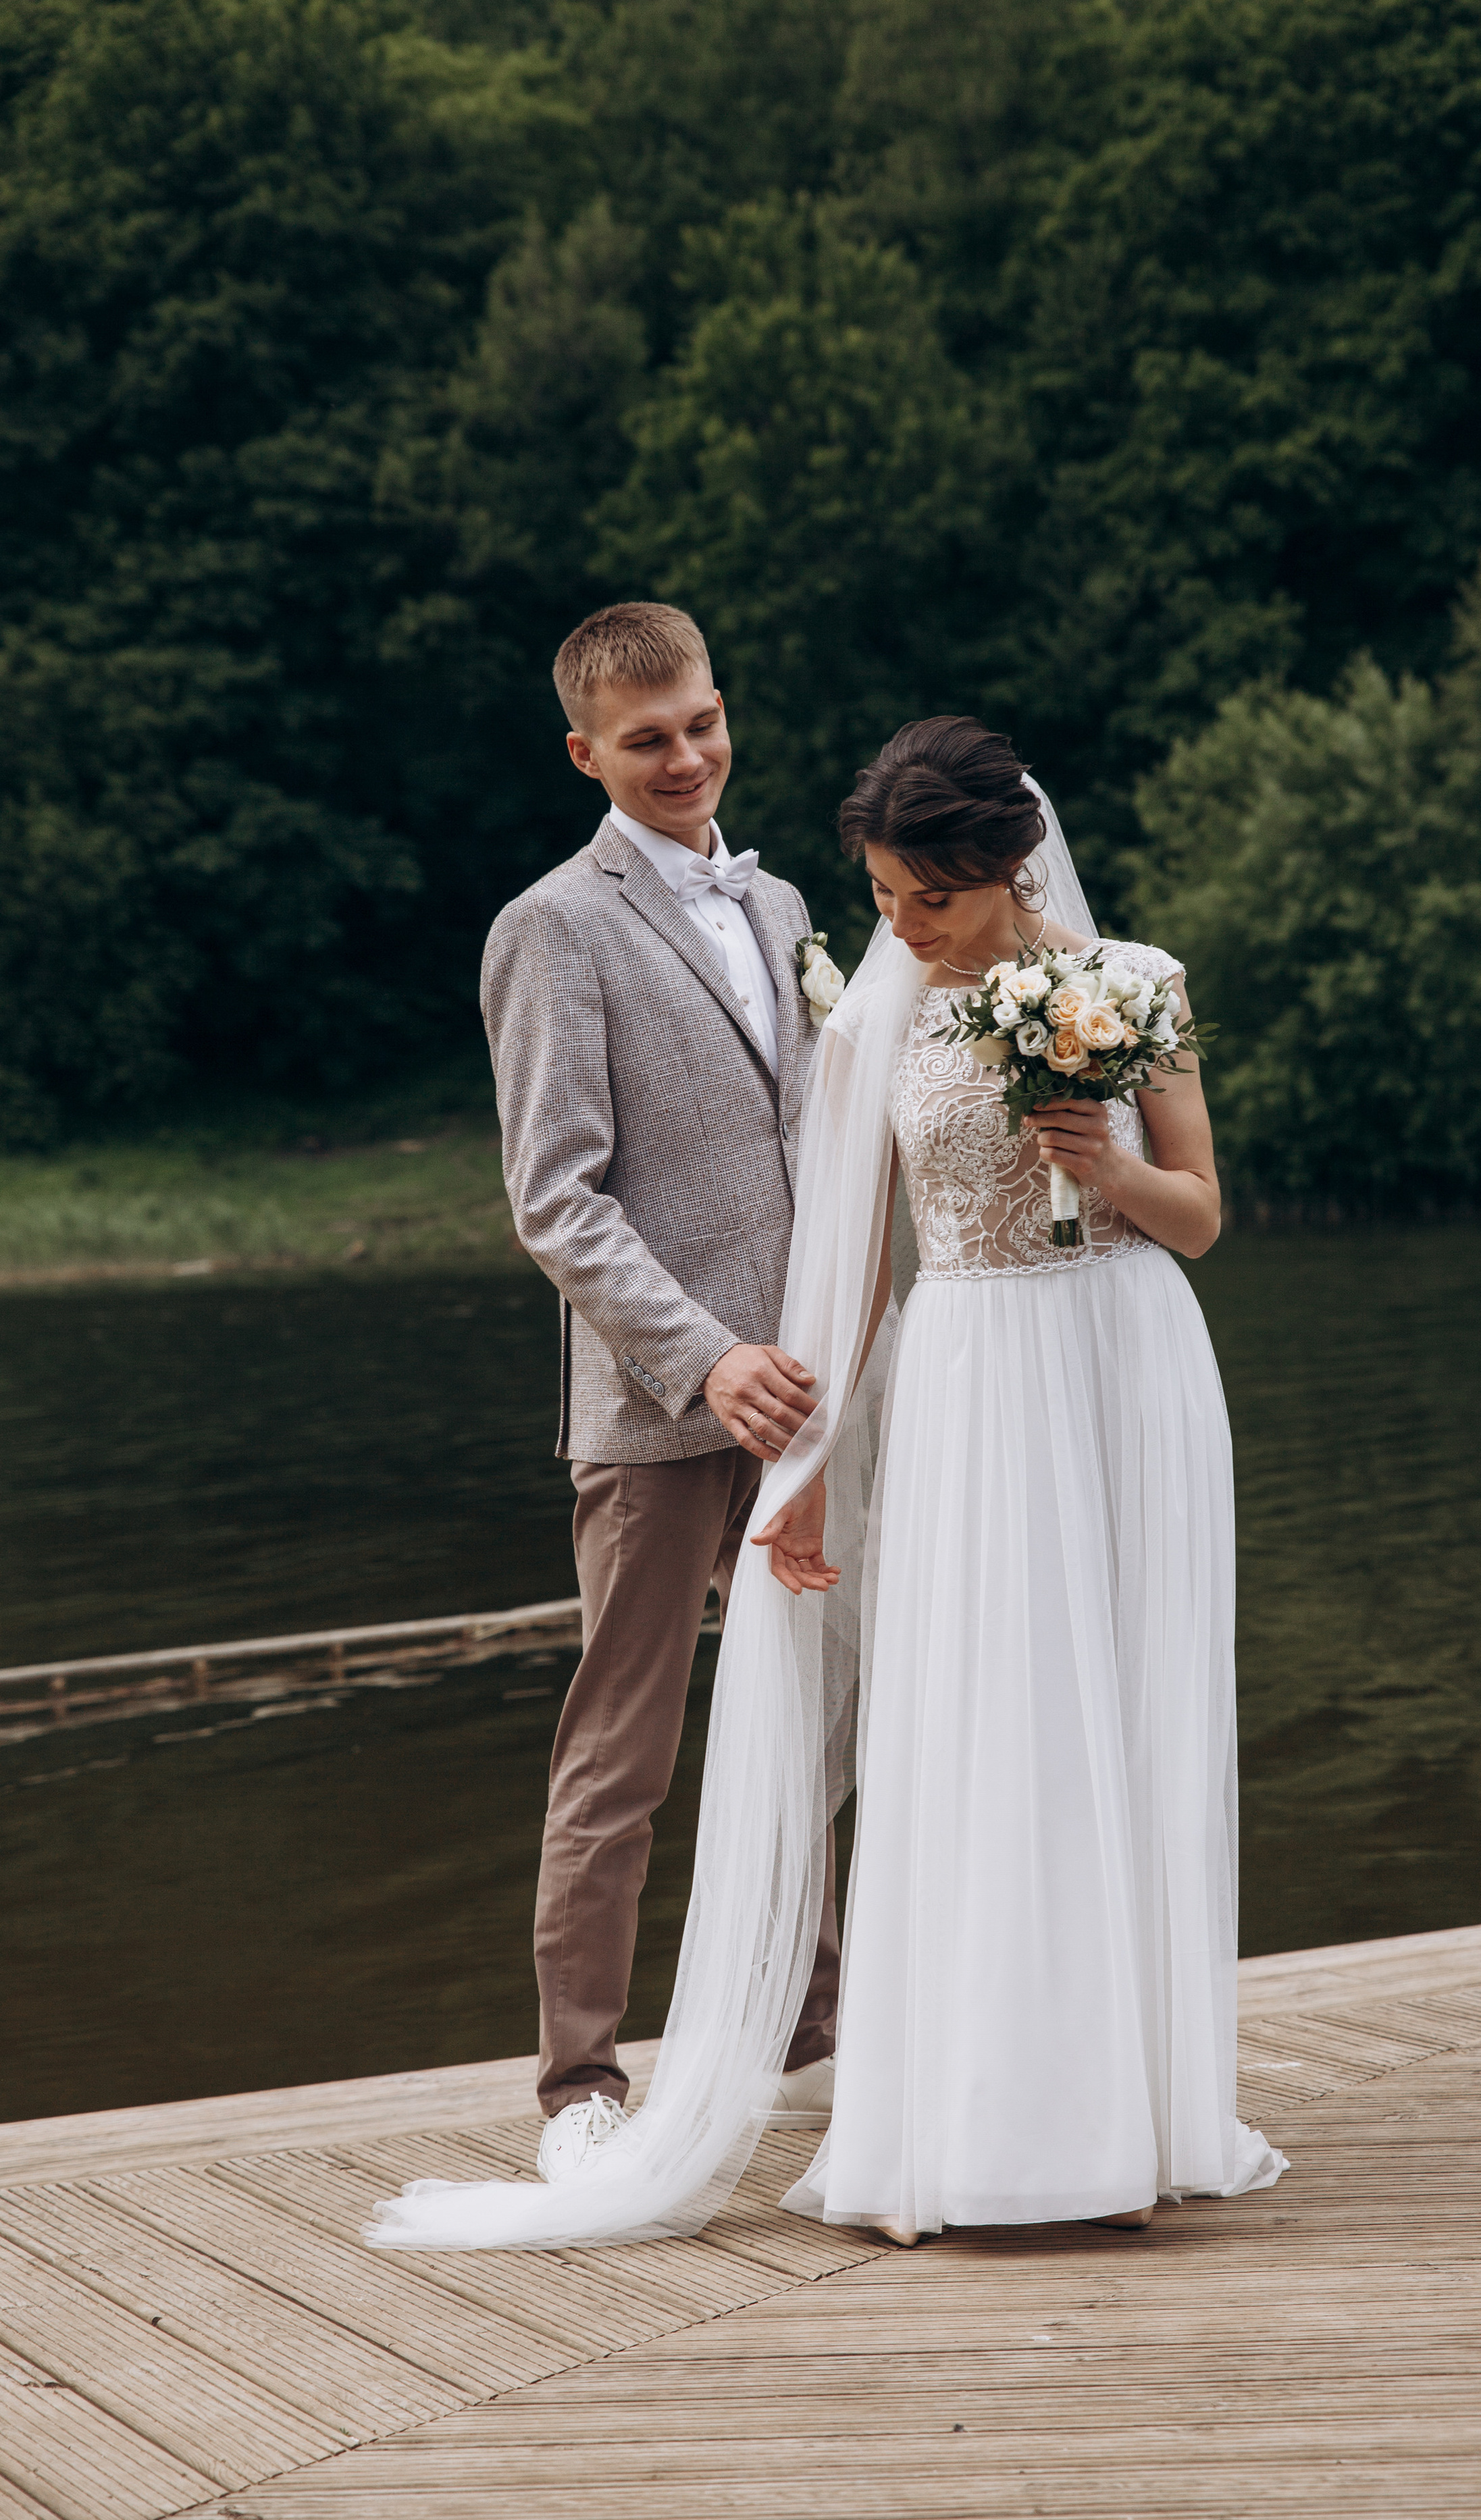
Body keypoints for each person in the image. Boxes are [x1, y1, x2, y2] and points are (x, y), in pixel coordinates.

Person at [369, 718, 1283, 2254]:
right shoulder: (875, 1018)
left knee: (1118, 1714)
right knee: (978, 1727)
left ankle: (1139, 2107)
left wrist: (1104, 1167)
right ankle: (984, 2120)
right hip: (971, 1386)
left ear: (1004, 869)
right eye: (880, 897)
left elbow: (1195, 1215)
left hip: (1126, 1372)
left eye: (927, 899)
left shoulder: (1133, 986)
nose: (900, 926)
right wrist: (801, 1471)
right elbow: (851, 1269)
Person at [478, 599, 841, 2183]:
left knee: (820, 1724)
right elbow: (555, 1199)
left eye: (698, 723)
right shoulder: (551, 925)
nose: (684, 757)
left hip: (816, 1398)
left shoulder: (781, 905)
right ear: (586, 754)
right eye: (646, 740)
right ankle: (577, 2083)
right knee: (621, 1751)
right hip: (659, 1413)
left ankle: (818, 2025)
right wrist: (705, 1354)